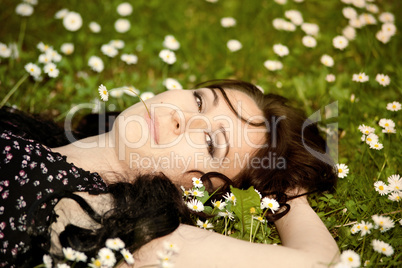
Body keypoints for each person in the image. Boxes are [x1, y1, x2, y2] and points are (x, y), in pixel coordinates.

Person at [0, 80, 339, 267]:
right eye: (201, 101)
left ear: (197, 191)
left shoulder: (112, 225)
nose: (182, 117)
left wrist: (287, 192)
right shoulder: (32, 134)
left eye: (211, 143)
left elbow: (317, 261)